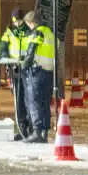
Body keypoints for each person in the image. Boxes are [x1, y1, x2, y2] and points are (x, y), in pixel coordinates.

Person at [20, 11, 56, 144]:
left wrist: (24, 65)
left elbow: (31, 51)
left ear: (32, 22)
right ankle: (44, 133)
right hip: (49, 72)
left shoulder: (37, 33)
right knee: (45, 103)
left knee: (34, 101)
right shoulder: (50, 33)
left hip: (37, 71)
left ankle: (36, 132)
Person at [0, 8, 32, 141]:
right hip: (15, 69)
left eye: (19, 20)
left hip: (27, 68)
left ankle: (31, 128)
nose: (17, 23)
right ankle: (22, 128)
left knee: (29, 99)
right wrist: (6, 57)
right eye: (15, 20)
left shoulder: (30, 31)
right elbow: (3, 48)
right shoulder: (9, 32)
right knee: (18, 100)